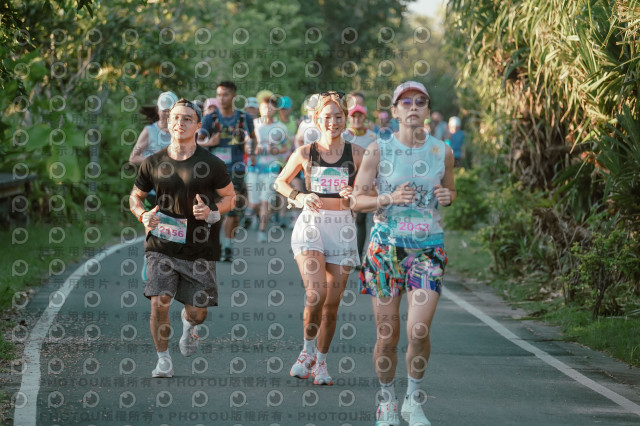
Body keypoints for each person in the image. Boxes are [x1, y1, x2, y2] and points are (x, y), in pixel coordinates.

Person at [352, 81, 456, 426]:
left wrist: (447, 197)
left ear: (427, 110)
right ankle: (387, 401)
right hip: (386, 249)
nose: (413, 107)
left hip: (427, 249)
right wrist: (389, 198)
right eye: (406, 102)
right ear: (395, 111)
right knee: (387, 335)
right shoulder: (377, 150)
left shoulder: (443, 151)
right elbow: (356, 200)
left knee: (419, 330)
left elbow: (450, 190)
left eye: (420, 102)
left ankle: (413, 400)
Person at [129, 99, 236, 378]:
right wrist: (142, 215)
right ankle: (163, 360)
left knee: (198, 312)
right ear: (168, 123)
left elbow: (230, 198)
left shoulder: (212, 164)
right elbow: (135, 196)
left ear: (198, 125)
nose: (180, 122)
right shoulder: (153, 162)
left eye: (188, 118)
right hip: (161, 244)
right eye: (175, 117)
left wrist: (212, 212)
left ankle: (189, 324)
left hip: (199, 248)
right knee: (159, 301)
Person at [274, 91, 365, 385]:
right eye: (327, 117)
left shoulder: (358, 154)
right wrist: (299, 196)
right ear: (317, 119)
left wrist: (356, 193)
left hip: (343, 229)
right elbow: (280, 182)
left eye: (338, 116)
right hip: (311, 227)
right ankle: (306, 351)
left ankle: (321, 363)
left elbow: (372, 192)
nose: (333, 122)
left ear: (345, 119)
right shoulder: (305, 152)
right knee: (315, 295)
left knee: (331, 305)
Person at [198, 81, 256, 262]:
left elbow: (253, 138)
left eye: (225, 95)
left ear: (234, 96)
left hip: (236, 168)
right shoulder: (210, 118)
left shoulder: (244, 118)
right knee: (216, 209)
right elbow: (197, 142)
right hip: (214, 169)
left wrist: (252, 151)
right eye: (219, 95)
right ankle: (216, 244)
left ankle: (228, 247)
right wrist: (210, 143)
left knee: (232, 208)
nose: (222, 98)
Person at [246, 94, 289, 242]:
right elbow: (245, 146)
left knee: (266, 201)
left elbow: (285, 147)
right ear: (260, 108)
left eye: (271, 108)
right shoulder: (253, 124)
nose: (267, 110)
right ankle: (252, 215)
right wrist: (253, 150)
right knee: (254, 203)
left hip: (271, 169)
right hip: (254, 168)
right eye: (265, 107)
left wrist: (275, 150)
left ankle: (262, 231)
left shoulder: (280, 127)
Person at [343, 104, 377, 263]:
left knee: (361, 218)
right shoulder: (343, 135)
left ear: (364, 117)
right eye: (353, 116)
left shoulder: (372, 137)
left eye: (360, 116)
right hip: (347, 179)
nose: (357, 119)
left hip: (365, 182)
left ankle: (358, 256)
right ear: (349, 118)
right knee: (346, 217)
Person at [129, 91, 178, 165]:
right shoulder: (149, 131)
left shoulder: (180, 132)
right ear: (158, 110)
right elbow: (133, 158)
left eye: (170, 111)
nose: (167, 114)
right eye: (164, 111)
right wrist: (156, 160)